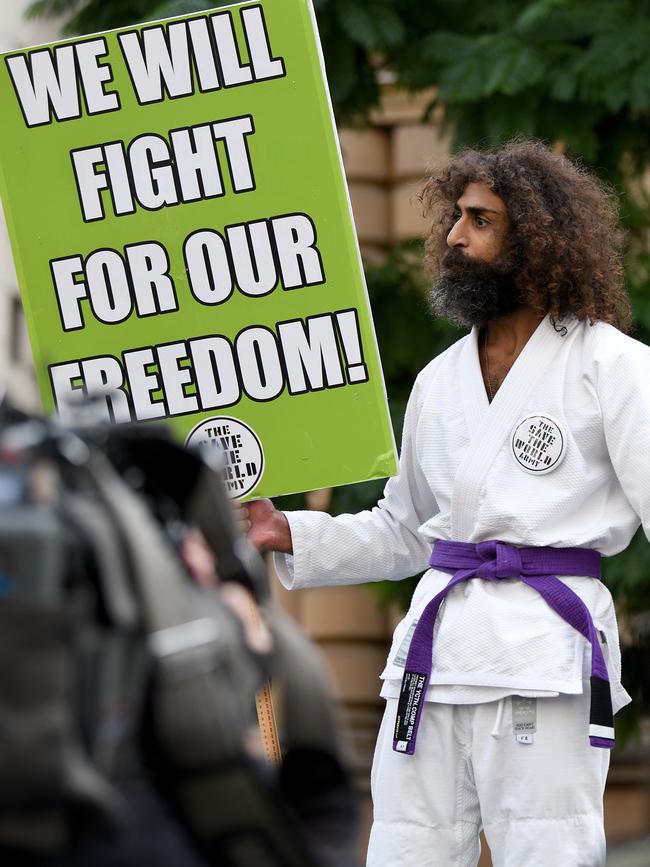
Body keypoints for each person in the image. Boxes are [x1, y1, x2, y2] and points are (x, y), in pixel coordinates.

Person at [242, 139, 649, 867]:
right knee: (403, 851)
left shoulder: (612, 366)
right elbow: (405, 529)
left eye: (481, 221)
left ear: (535, 239)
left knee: (550, 852)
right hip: (430, 664)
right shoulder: (438, 379)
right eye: (457, 218)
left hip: (541, 659)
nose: (456, 237)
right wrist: (287, 531)